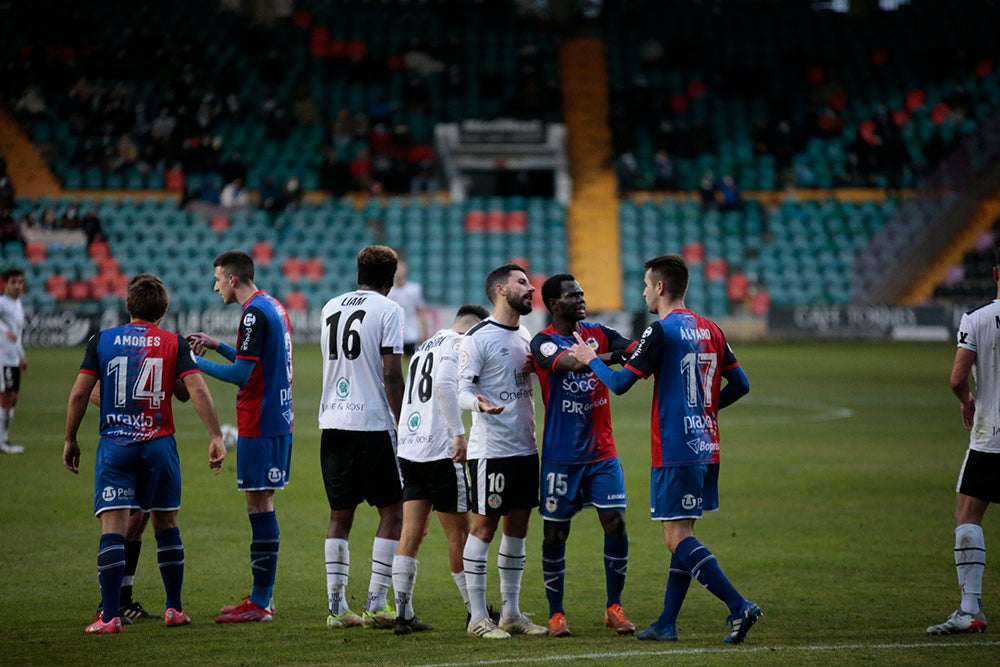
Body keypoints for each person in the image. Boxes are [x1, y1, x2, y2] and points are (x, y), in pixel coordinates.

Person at [568, 253, 759, 645]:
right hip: (706, 445)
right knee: (682, 532)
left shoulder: (661, 330)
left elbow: (620, 385)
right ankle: (667, 623)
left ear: (660, 287)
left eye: (645, 284)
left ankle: (738, 606)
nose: (642, 292)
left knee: (676, 538)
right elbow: (741, 384)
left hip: (676, 447)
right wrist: (706, 410)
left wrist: (590, 359)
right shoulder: (711, 328)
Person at [63, 273, 226, 634]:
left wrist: (71, 438)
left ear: (127, 306)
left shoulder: (102, 340)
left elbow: (79, 394)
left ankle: (109, 616)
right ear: (165, 310)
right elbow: (194, 392)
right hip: (159, 446)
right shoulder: (172, 343)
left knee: (113, 529)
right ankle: (174, 609)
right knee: (166, 525)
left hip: (116, 446)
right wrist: (215, 435)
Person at [186, 250, 294, 624]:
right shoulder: (272, 306)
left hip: (260, 422)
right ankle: (263, 595)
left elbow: (242, 376)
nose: (215, 286)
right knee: (262, 503)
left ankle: (261, 601)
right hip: (275, 419)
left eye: (218, 279)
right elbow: (255, 360)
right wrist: (218, 346)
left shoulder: (252, 313)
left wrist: (193, 364)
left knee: (258, 505)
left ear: (233, 279)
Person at [530, 274, 638, 638]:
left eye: (581, 292)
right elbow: (571, 365)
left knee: (616, 522)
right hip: (561, 457)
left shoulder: (600, 332)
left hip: (602, 452)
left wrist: (625, 351)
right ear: (554, 304)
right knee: (556, 532)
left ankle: (614, 606)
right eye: (571, 294)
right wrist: (605, 357)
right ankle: (556, 614)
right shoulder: (542, 342)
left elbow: (635, 348)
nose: (580, 298)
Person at [458, 263, 547, 640]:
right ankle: (478, 617)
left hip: (525, 448)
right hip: (491, 451)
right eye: (522, 283)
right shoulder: (477, 338)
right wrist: (479, 404)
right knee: (482, 527)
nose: (530, 288)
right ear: (499, 289)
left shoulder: (525, 334)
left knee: (518, 529)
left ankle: (510, 612)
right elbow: (460, 391)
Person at [319, 245, 405, 630]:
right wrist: (405, 422)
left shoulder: (329, 307)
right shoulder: (390, 310)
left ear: (358, 273)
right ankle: (376, 602)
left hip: (333, 422)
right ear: (390, 278)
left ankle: (337, 608)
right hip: (372, 422)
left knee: (340, 516)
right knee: (393, 512)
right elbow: (391, 373)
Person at [391, 303, 489, 636]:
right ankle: (474, 611)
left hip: (410, 445)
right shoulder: (461, 344)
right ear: (475, 326)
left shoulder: (424, 347)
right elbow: (445, 386)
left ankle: (403, 614)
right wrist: (457, 434)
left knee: (411, 533)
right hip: (440, 449)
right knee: (459, 534)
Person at [926, 252, 1000, 636]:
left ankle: (970, 608)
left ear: (995, 273)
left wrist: (967, 402)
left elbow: (957, 378)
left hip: (992, 438)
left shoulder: (978, 317)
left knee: (968, 516)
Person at [0, 268, 27, 454]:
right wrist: (3, 329)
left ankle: (4, 437)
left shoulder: (18, 304)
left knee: (13, 398)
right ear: (5, 283)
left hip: (13, 358)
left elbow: (17, 334)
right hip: (2, 358)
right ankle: (2, 441)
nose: (17, 286)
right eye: (14, 282)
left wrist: (21, 355)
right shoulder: (2, 302)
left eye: (20, 282)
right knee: (5, 399)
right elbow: (7, 329)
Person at [387, 260, 429, 355]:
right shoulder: (388, 290)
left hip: (410, 332)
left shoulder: (414, 289)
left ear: (405, 270)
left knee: (411, 362)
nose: (398, 271)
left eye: (400, 268)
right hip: (392, 333)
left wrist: (425, 332)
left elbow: (421, 312)